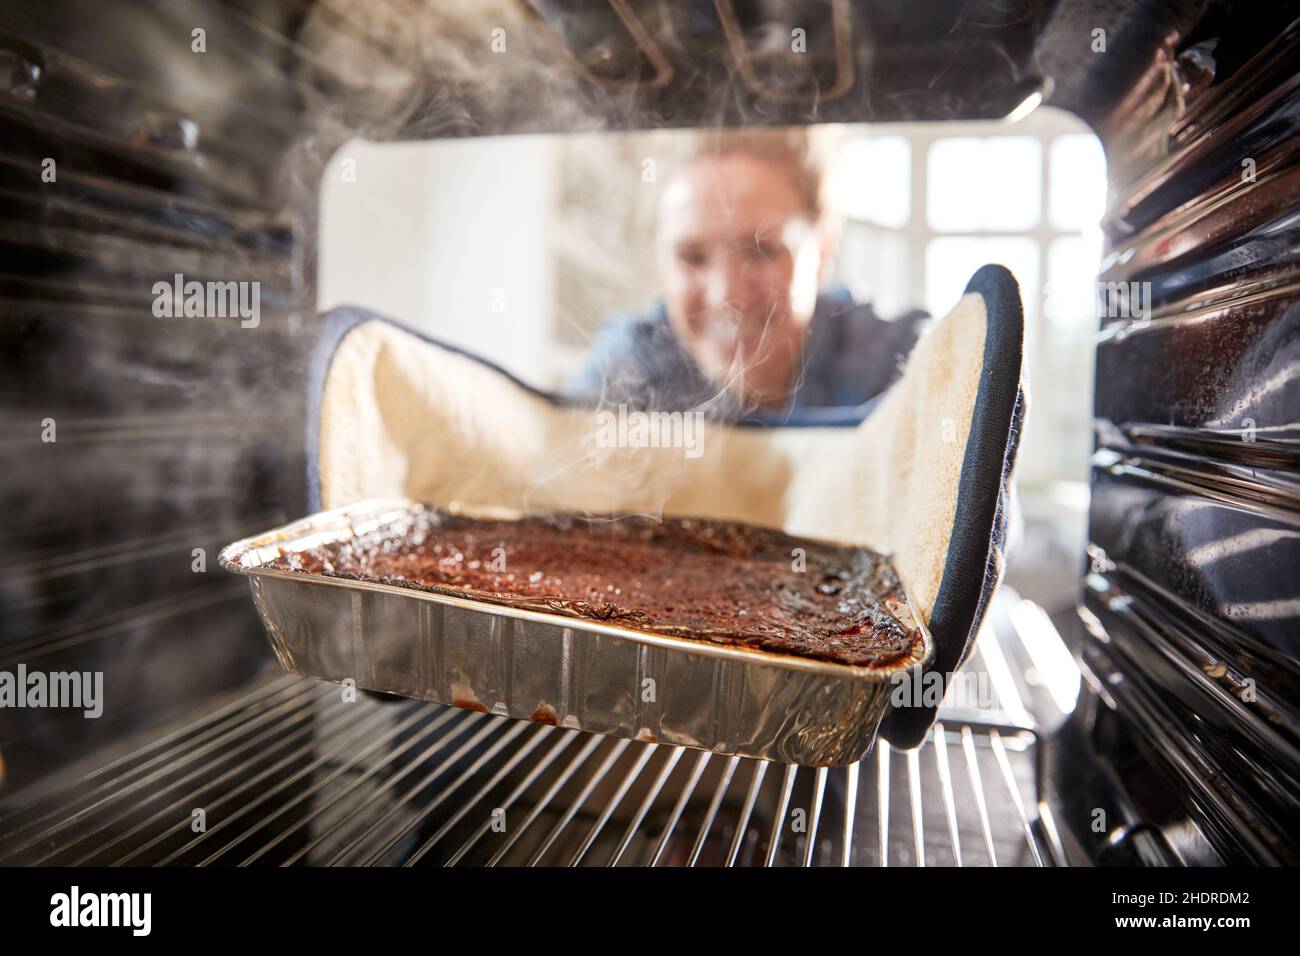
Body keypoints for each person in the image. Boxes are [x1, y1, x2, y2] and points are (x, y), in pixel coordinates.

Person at [564, 128, 929, 422]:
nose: (727, 296)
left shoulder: (896, 362)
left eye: (761, 251)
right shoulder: (632, 366)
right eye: (692, 256)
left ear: (822, 252)